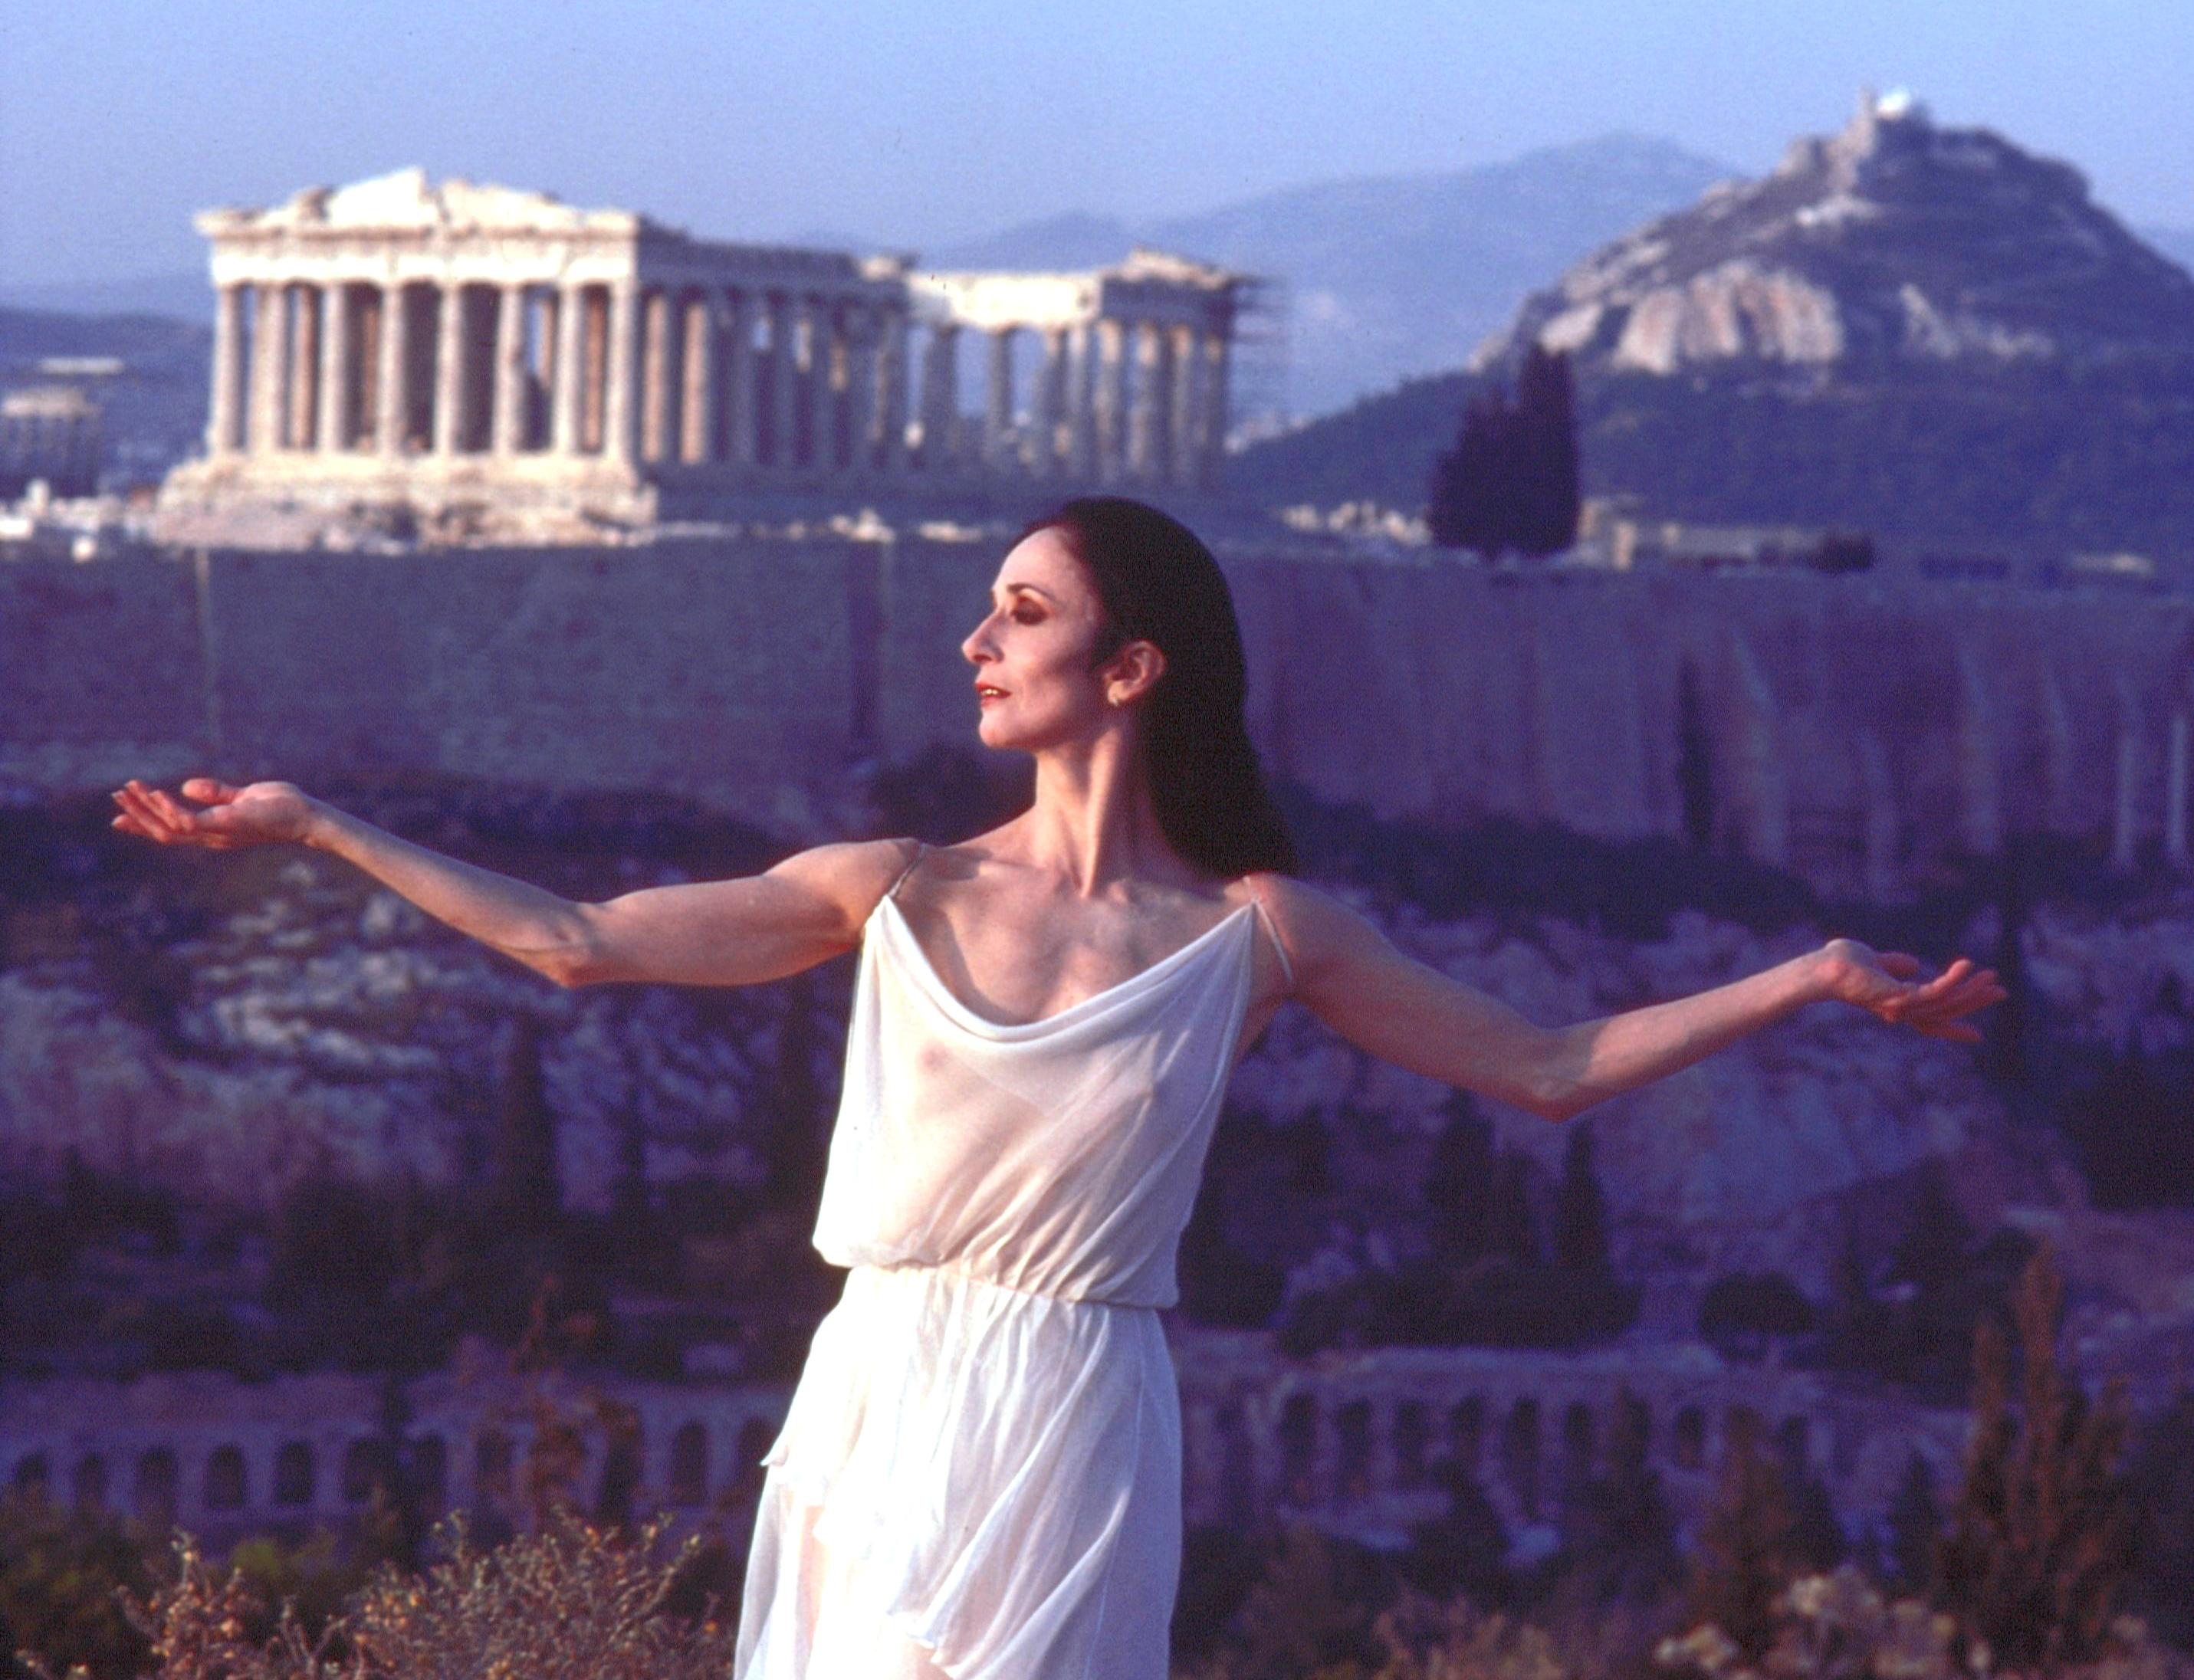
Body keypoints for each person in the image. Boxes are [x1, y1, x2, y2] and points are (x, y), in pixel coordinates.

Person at [109, 495, 2004, 1680]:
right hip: (878, 1393)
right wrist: (316, 823)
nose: (979, 639)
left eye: (1021, 607)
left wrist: (1819, 977)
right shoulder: (895, 885)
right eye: (989, 608)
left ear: (1132, 663)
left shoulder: (1265, 929)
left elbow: (1551, 1068)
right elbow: (575, 937)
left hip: (1079, 1409)